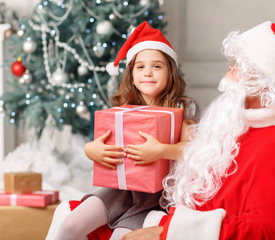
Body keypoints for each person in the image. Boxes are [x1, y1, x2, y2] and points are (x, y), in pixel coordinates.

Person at [121, 21, 275, 240]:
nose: (228, 75)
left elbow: (265, 230)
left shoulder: (274, 146)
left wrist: (170, 233)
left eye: (238, 66)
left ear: (265, 82)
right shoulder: (235, 125)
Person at [48, 21, 199, 240]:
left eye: (157, 66)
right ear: (131, 74)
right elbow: (103, 142)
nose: (148, 72)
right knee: (70, 225)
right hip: (119, 191)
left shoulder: (181, 108)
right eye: (140, 67)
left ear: (170, 72)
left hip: (155, 198)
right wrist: (91, 149)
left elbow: (192, 150)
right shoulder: (122, 108)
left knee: (120, 237)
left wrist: (160, 151)